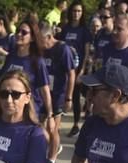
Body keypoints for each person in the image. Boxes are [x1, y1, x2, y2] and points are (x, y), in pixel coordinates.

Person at [3, 20, 54, 130]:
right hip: (10, 109)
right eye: (18, 31)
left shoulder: (37, 61)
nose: (19, 34)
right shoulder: (10, 57)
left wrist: (50, 115)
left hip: (30, 112)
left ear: (32, 38)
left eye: (24, 32)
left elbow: (44, 89)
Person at [42, 22, 76, 163]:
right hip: (43, 93)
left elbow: (71, 74)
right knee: (38, 126)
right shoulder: (41, 50)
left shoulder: (63, 49)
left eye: (41, 40)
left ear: (49, 37)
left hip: (58, 95)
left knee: (53, 128)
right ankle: (54, 147)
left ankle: (52, 159)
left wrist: (68, 97)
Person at [58, 1, 92, 137]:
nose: (76, 13)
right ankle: (58, 120)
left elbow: (87, 52)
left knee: (76, 97)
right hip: (63, 67)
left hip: (77, 68)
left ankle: (76, 124)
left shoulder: (85, 31)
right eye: (74, 11)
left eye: (79, 11)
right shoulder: (65, 29)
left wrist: (82, 70)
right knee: (61, 93)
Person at [96, 13, 128, 89]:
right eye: (114, 28)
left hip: (124, 98)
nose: (114, 32)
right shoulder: (107, 48)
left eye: (119, 29)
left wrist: (123, 86)